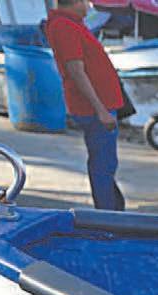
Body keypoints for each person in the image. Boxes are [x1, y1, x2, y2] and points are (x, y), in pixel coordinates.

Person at [46, 0, 125, 211]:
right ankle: (108, 215)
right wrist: (100, 110)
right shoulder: (63, 26)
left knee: (106, 163)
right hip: (94, 108)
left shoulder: (72, 24)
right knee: (103, 165)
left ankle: (113, 210)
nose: (89, 7)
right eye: (84, 2)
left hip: (102, 105)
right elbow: (76, 71)